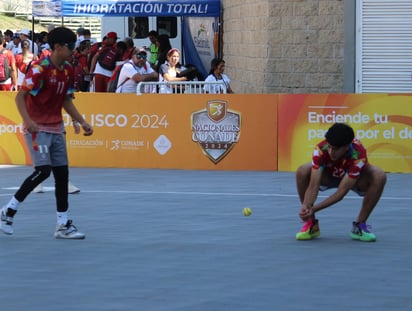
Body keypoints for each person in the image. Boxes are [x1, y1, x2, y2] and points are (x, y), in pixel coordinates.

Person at [0, 27, 93, 239]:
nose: (73, 51)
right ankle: (8, 211)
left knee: (62, 175)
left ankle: (63, 225)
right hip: (37, 127)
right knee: (43, 171)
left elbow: (66, 100)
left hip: (56, 128)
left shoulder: (68, 69)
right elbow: (20, 97)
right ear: (58, 47)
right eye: (70, 47)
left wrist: (82, 121)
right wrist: (28, 121)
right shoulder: (40, 69)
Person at [295, 123, 386, 242]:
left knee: (379, 175)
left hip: (353, 180)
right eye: (330, 146)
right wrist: (306, 207)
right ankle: (311, 224)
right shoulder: (320, 150)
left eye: (336, 149)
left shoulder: (358, 154)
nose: (331, 151)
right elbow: (313, 186)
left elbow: (341, 193)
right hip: (329, 176)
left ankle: (359, 226)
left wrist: (315, 208)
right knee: (302, 171)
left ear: (347, 146)